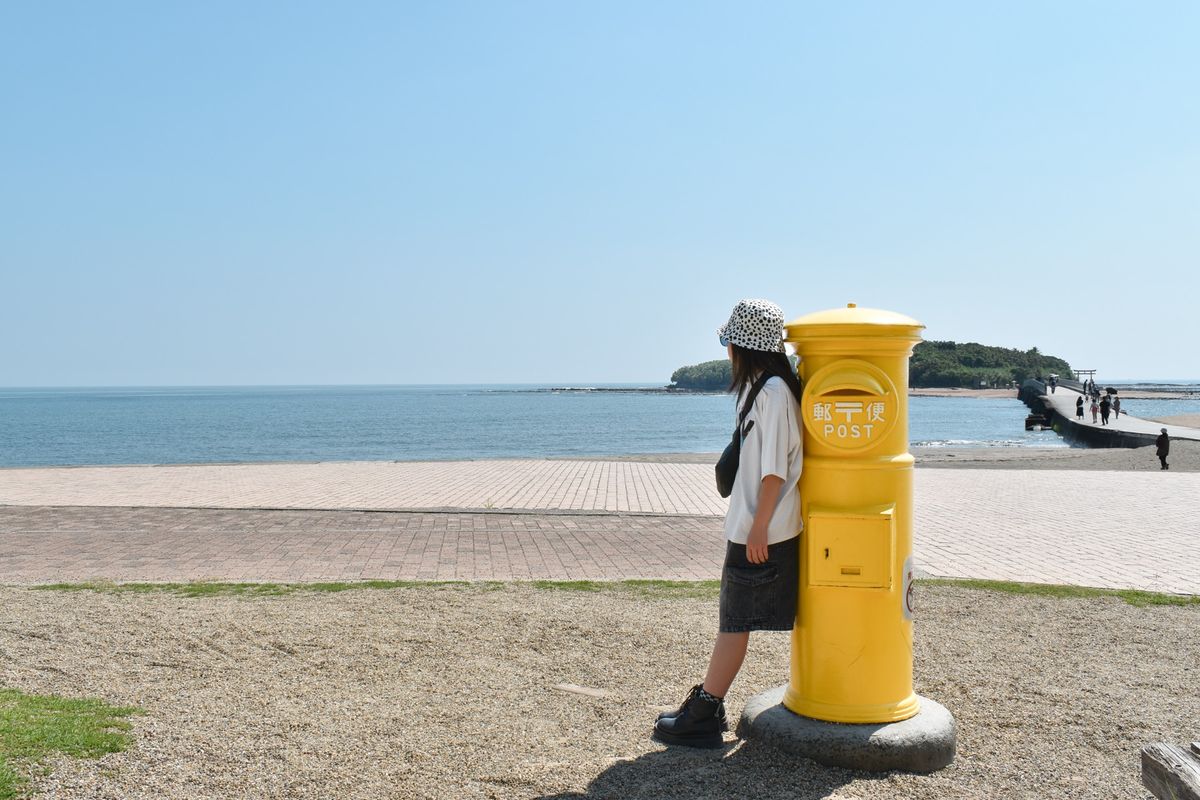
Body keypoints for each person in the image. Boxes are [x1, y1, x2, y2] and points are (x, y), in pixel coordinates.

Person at [653, 298, 804, 749]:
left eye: (728, 340)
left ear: (742, 344)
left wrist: (759, 527)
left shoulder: (773, 393)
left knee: (734, 622)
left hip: (762, 529)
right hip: (752, 523)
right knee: (732, 620)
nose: (726, 349)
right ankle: (705, 704)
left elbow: (775, 468)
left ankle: (705, 711)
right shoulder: (763, 387)